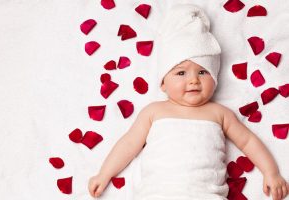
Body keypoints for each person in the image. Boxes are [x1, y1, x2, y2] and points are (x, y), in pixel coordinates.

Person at [88, 4, 289, 200]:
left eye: (203, 72)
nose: (193, 80)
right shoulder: (154, 112)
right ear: (163, 83)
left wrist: (271, 172)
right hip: (158, 194)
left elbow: (248, 141)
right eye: (181, 73)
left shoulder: (219, 113)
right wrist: (104, 174)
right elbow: (129, 143)